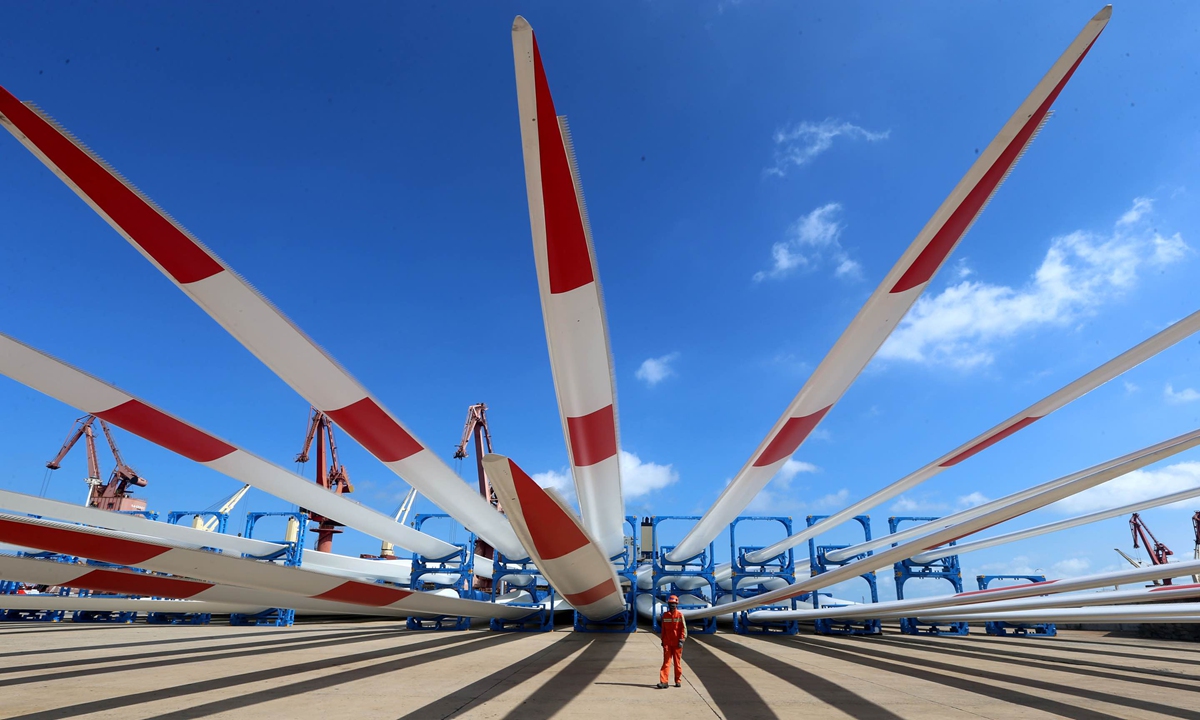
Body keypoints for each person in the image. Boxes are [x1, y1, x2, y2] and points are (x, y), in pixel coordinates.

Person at [656, 594, 687, 688]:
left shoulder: (680, 615)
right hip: (667, 643)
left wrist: (682, 639)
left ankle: (678, 680)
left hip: (677, 643)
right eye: (670, 603)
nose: (672, 605)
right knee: (666, 663)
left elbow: (683, 628)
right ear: (668, 604)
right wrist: (662, 640)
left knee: (677, 663)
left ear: (676, 604)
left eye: (674, 603)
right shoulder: (665, 615)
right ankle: (664, 682)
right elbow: (663, 629)